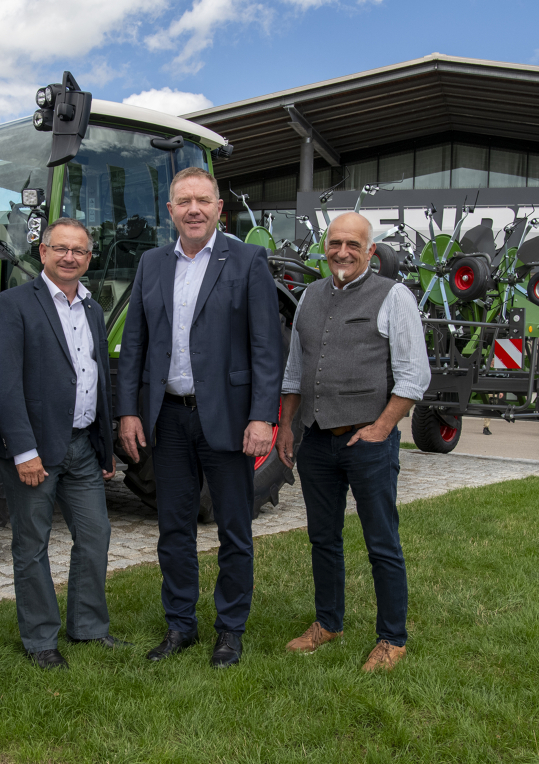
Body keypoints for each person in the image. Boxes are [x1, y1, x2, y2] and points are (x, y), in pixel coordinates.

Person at [116, 166, 284, 669]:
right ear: (170, 211)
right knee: (173, 529)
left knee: (234, 529)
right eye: (184, 201)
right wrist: (128, 410)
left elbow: (266, 347)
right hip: (168, 418)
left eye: (203, 201)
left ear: (218, 209)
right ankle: (180, 625)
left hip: (228, 419)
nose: (193, 209)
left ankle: (230, 630)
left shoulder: (248, 261)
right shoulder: (151, 263)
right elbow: (135, 345)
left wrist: (262, 417)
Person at [274, 212, 431, 673]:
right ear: (325, 247)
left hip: (367, 442)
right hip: (316, 439)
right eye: (335, 243)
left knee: (381, 541)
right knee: (323, 538)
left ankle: (392, 639)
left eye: (353, 245)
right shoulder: (309, 295)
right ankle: (328, 623)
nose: (342, 252)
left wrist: (381, 428)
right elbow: (295, 371)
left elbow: (414, 376)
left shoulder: (393, 296)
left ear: (370, 251)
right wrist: (287, 425)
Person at [0, 217, 126, 670]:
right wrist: (23, 450)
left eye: (79, 251)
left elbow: (98, 378)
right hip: (35, 451)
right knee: (32, 544)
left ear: (89, 258)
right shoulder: (13, 305)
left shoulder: (93, 308)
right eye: (61, 248)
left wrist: (104, 446)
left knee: (96, 534)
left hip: (83, 446)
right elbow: (5, 383)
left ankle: (88, 627)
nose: (70, 257)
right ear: (43, 252)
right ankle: (40, 639)